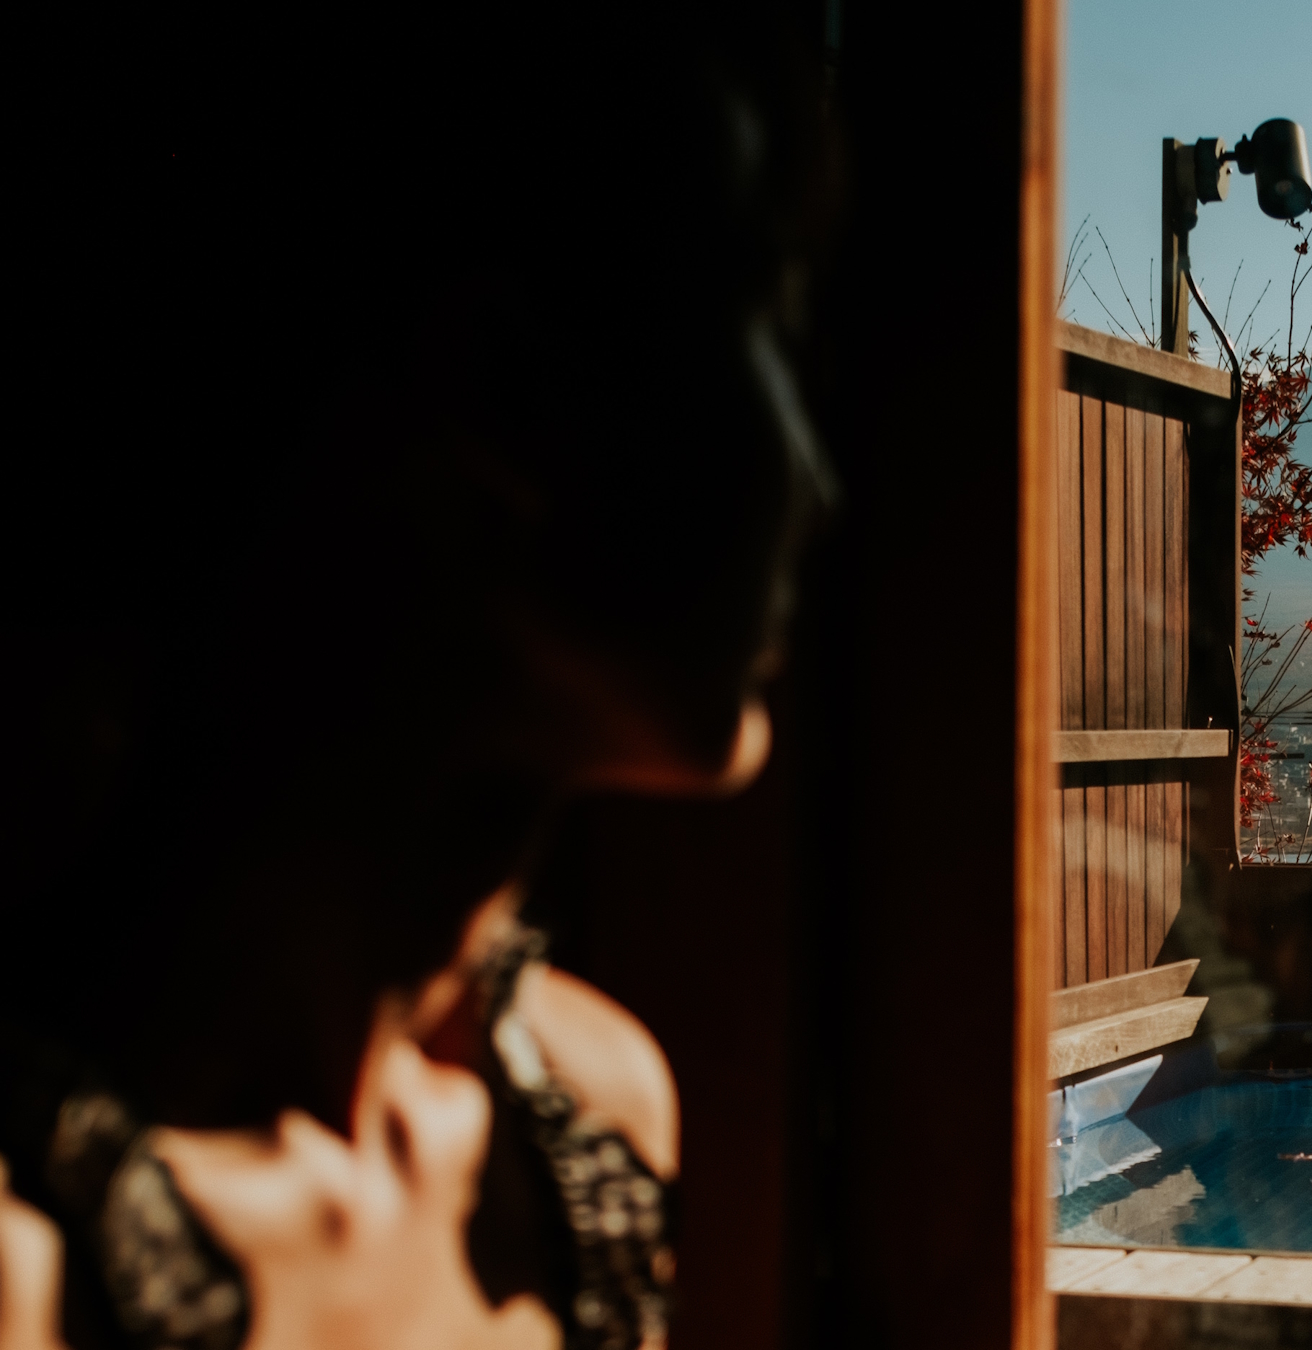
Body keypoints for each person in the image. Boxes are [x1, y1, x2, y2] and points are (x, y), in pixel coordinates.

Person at [2, 9, 832, 1347]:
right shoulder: (34, 1270)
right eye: (759, 323)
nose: (813, 480)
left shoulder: (591, 1119)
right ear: (498, 387)